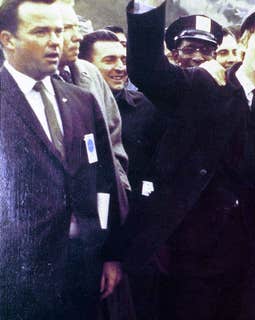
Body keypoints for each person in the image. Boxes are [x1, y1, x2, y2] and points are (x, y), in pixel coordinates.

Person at [125, 1, 255, 319]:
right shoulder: (202, 87)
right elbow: (146, 71)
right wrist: (148, 5)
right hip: (188, 265)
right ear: (243, 42)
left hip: (250, 274)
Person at [0, 0, 124, 318]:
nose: (55, 40)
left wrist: (110, 253)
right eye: (41, 31)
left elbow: (104, 182)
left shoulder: (82, 102)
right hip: (17, 278)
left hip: (82, 270)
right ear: (7, 40)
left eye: (58, 31)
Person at [79, 29, 167, 320]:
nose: (120, 67)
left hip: (137, 235)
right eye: (109, 60)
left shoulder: (146, 108)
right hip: (95, 236)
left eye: (123, 59)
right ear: (87, 65)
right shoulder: (73, 111)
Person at [55, 0, 131, 197]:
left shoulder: (89, 73)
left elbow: (113, 138)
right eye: (67, 28)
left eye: (76, 27)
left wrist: (119, 190)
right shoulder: (35, 81)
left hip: (103, 199)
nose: (78, 36)